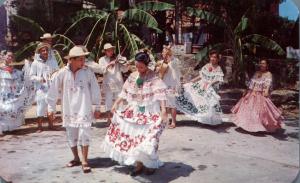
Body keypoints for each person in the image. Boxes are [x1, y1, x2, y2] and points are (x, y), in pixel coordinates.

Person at [102, 50, 168, 176]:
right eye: (137, 66)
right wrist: (116, 103)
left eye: (141, 66)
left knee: (151, 138)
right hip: (136, 109)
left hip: (150, 109)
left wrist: (164, 110)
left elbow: (161, 94)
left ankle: (150, 164)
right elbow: (125, 91)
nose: (139, 68)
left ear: (147, 64)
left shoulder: (154, 77)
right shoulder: (133, 75)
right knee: (135, 137)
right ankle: (138, 164)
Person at [47, 46, 101, 173]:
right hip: (69, 109)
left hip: (84, 108)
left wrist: (97, 107)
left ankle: (84, 160)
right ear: (71, 60)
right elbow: (53, 91)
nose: (83, 62)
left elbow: (95, 89)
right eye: (80, 59)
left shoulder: (88, 72)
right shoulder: (61, 73)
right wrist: (51, 108)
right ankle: (76, 158)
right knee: (71, 135)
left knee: (84, 134)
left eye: (84, 59)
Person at [231, 59, 283, 132]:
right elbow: (251, 84)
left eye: (264, 63)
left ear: (267, 65)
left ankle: (260, 126)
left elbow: (267, 84)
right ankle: (248, 126)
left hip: (261, 94)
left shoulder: (268, 74)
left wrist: (266, 91)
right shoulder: (257, 73)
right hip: (253, 93)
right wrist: (247, 91)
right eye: (261, 63)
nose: (262, 65)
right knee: (249, 110)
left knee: (261, 111)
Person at [176, 50, 224, 125]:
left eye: (214, 57)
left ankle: (212, 121)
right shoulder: (207, 66)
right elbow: (200, 76)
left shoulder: (218, 68)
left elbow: (218, 79)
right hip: (202, 86)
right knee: (200, 102)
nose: (212, 59)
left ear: (218, 59)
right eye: (211, 57)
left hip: (211, 88)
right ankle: (204, 119)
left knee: (210, 104)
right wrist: (191, 81)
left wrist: (210, 84)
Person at [0, 51, 35, 136]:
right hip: (3, 93)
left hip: (12, 93)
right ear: (3, 57)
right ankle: (2, 128)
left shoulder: (15, 71)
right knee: (3, 109)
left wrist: (27, 67)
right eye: (8, 56)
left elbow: (23, 78)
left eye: (12, 56)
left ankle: (10, 128)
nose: (10, 58)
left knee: (13, 108)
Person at [30, 43, 59, 132]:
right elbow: (31, 76)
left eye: (46, 50)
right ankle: (39, 126)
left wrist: (54, 76)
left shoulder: (53, 61)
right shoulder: (35, 63)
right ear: (39, 52)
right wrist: (39, 78)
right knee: (41, 106)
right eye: (43, 50)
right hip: (41, 88)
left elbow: (57, 72)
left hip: (51, 87)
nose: (45, 52)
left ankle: (51, 124)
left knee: (52, 105)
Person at [97, 43, 129, 124]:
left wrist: (126, 65)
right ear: (105, 51)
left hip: (118, 82)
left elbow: (124, 70)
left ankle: (120, 119)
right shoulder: (102, 60)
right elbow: (101, 70)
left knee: (119, 101)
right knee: (108, 101)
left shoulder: (118, 58)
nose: (111, 52)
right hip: (108, 83)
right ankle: (109, 119)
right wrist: (109, 65)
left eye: (112, 50)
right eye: (109, 50)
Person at [156, 45, 181, 128]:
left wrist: (169, 53)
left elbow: (174, 64)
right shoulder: (161, 62)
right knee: (165, 104)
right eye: (163, 52)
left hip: (171, 84)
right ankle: (165, 120)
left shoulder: (174, 61)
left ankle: (173, 122)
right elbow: (158, 72)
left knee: (172, 104)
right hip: (163, 84)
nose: (164, 53)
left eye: (165, 52)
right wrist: (158, 69)